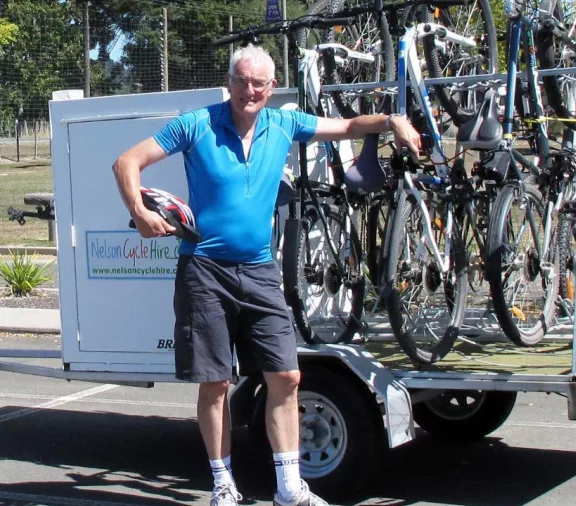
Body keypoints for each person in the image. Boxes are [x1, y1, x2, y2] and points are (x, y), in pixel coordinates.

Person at [112, 44, 420, 506]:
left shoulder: (284, 123)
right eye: (241, 81)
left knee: (287, 376)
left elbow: (350, 127)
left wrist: (392, 121)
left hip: (258, 270)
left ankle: (289, 488)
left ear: (272, 88)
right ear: (229, 82)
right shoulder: (197, 124)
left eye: (259, 83)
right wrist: (137, 210)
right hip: (204, 270)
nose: (249, 91)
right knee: (215, 382)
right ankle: (222, 485)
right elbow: (127, 162)